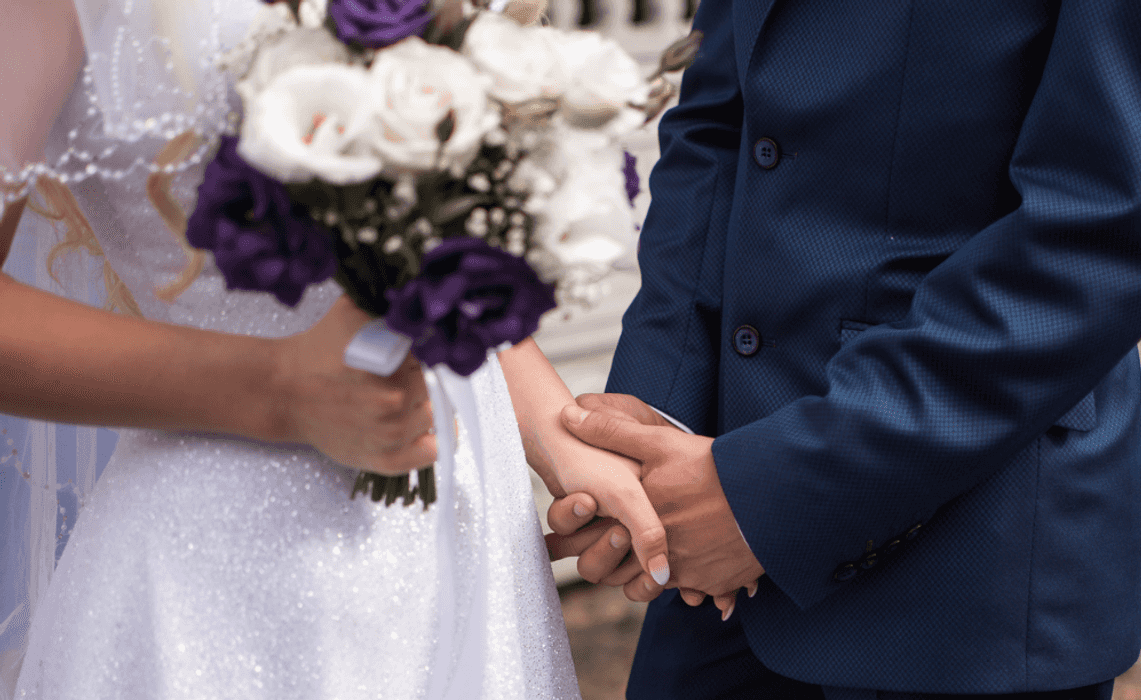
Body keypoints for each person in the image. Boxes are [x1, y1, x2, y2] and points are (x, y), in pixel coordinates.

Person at [547, 0, 1141, 698]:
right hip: (710, 542)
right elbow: (716, 121)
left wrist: (772, 496)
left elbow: (1114, 224)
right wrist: (647, 425)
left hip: (964, 572)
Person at [0, 0, 669, 697]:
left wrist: (558, 432)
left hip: (463, 533)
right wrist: (278, 388)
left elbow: (427, 235)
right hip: (219, 570)